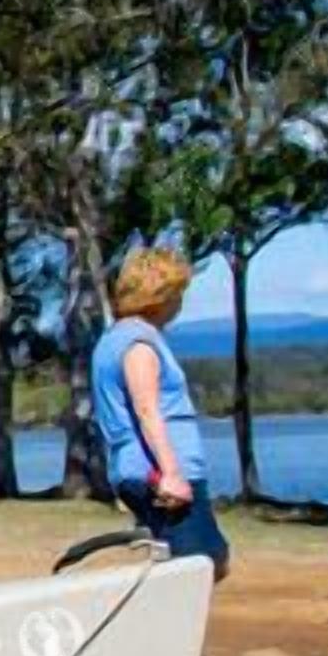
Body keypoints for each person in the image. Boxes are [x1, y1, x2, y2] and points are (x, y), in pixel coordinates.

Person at [90, 245, 227, 573]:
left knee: (199, 561)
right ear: (161, 296)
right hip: (157, 474)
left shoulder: (118, 338)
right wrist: (172, 473)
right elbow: (147, 410)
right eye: (178, 294)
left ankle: (154, 618)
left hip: (143, 470)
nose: (180, 303)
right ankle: (145, 621)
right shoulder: (138, 343)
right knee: (199, 564)